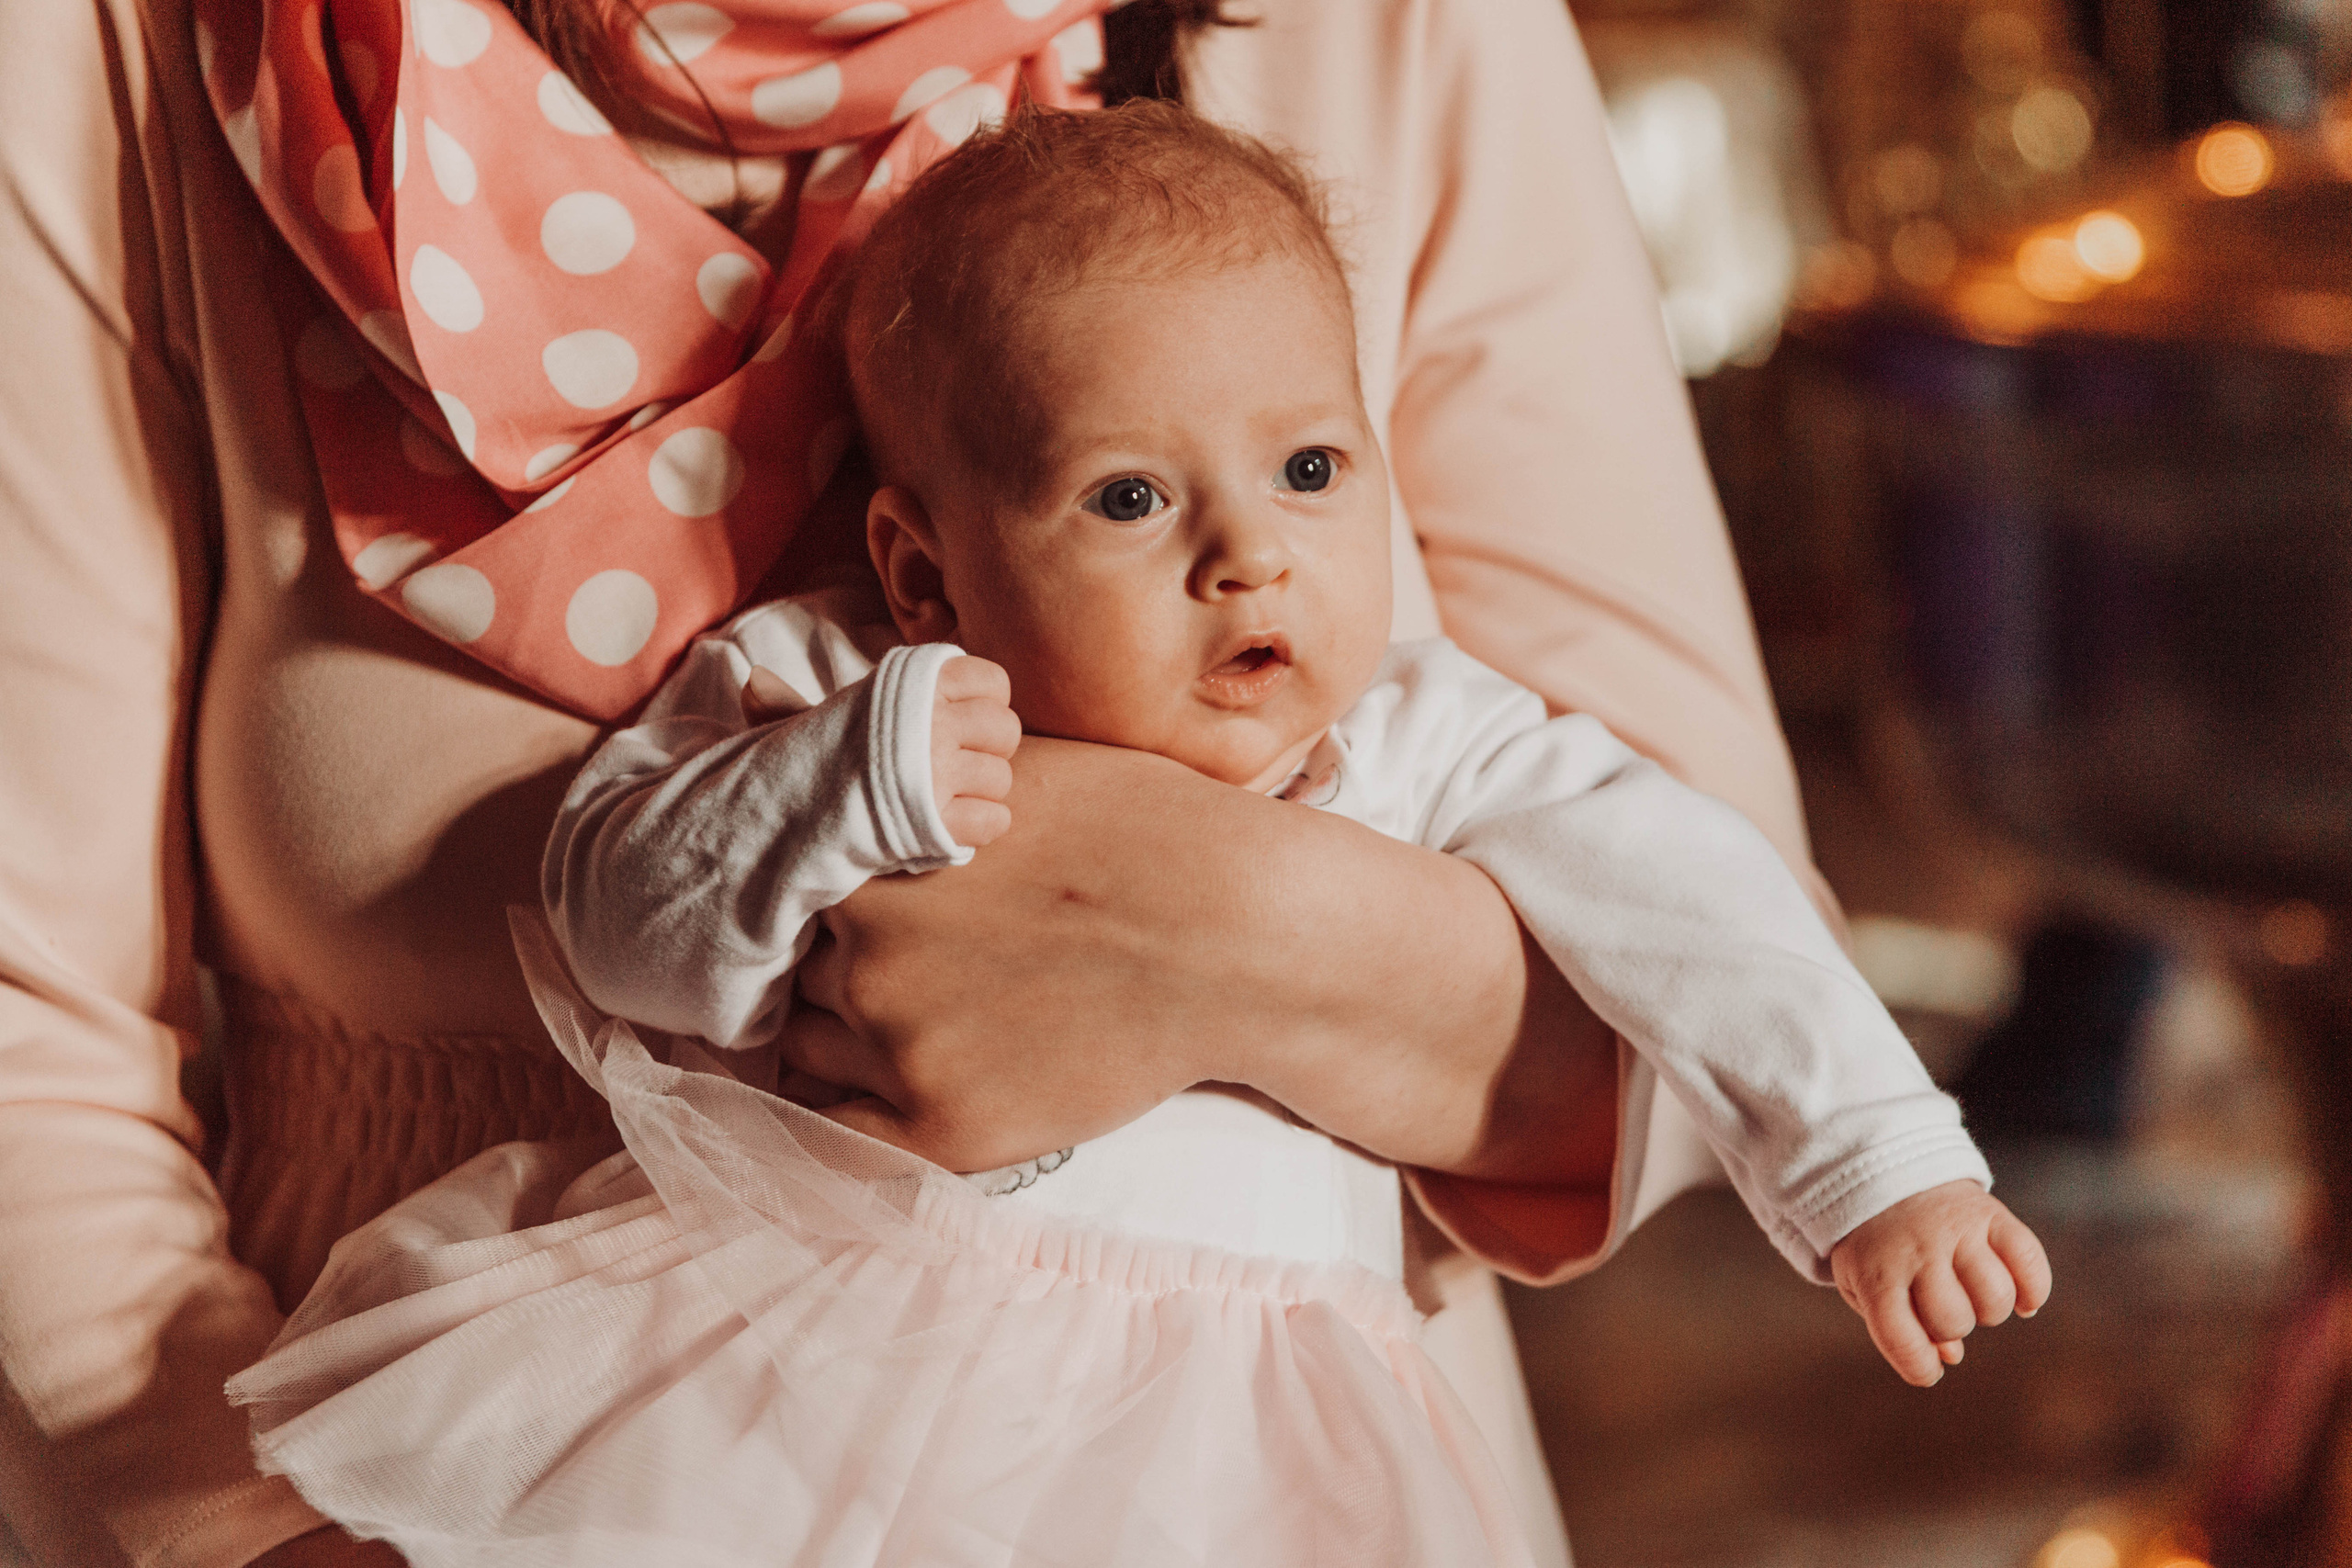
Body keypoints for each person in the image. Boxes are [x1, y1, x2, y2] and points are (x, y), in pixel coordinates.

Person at [0, 2, 1854, 1565]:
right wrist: (256, 1533)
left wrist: (1208, 924)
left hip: (1270, 1479)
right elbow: (28, 1025)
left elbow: (1730, 982)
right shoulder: (118, 49)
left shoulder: (1381, 28)